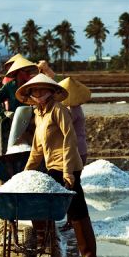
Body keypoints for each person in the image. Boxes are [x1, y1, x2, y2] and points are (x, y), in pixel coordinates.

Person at [16, 74, 99, 257]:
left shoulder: (59, 110)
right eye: (34, 90)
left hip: (67, 166)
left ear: (51, 92)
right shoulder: (39, 114)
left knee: (75, 209)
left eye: (42, 90)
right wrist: (26, 173)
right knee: (64, 207)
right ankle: (47, 245)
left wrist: (68, 172)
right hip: (52, 166)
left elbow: (69, 140)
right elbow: (37, 147)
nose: (38, 93)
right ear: (30, 94)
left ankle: (88, 256)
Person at [58, 77, 91, 231]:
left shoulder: (71, 111)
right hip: (81, 149)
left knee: (71, 186)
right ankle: (74, 219)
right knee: (74, 185)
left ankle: (73, 220)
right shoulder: (77, 108)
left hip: (75, 150)